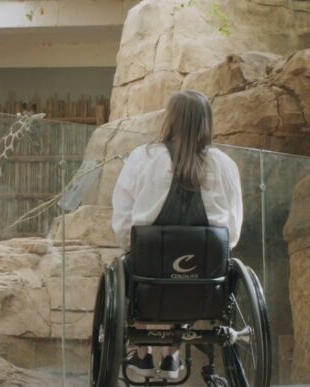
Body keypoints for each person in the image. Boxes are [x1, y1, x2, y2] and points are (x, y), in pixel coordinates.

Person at [111, 90, 243, 379]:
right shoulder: (224, 165)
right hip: (204, 283)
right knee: (199, 260)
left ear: (169, 119)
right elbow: (231, 234)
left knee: (140, 258)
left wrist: (128, 244)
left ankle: (143, 355)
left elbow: (123, 222)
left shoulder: (144, 157)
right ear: (206, 122)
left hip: (149, 274)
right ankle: (172, 356)